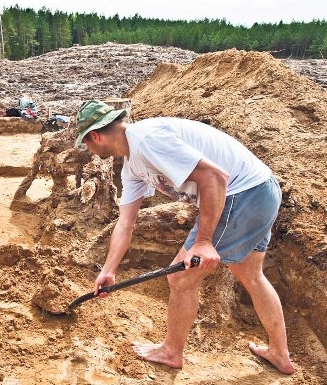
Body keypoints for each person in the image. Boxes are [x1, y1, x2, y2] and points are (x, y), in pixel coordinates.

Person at [74, 99, 295, 375]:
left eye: (86, 143)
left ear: (95, 136)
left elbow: (215, 176)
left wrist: (203, 242)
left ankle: (171, 351)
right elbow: (125, 223)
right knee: (250, 273)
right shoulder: (132, 165)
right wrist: (109, 271)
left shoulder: (146, 140)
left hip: (243, 193)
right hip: (261, 191)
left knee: (180, 277)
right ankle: (279, 353)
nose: (89, 150)